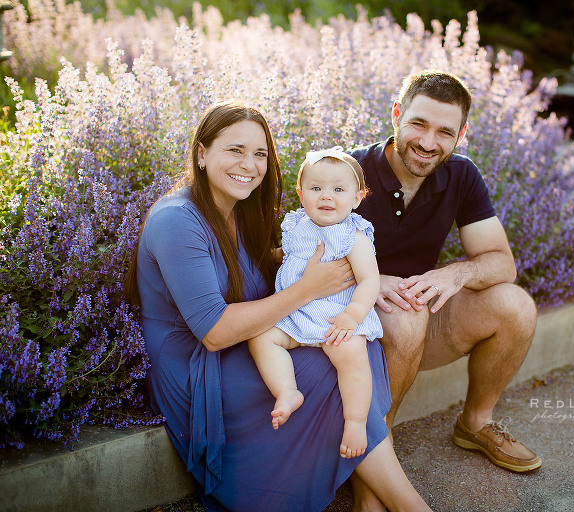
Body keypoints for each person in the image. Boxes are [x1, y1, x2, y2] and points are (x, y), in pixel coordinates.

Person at [125, 100, 431, 512]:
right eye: (235, 150)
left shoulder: (239, 210)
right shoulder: (176, 221)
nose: (249, 165)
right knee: (332, 362)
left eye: (260, 154)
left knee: (353, 342)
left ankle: (372, 499)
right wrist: (308, 290)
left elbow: (275, 265)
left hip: (245, 338)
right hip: (197, 364)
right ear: (201, 153)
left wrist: (356, 282)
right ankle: (405, 505)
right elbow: (213, 333)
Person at [348, 69, 541, 509]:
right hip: (344, 327)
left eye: (444, 131)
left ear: (462, 134)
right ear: (396, 114)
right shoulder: (350, 170)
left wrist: (456, 274)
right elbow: (297, 257)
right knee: (408, 313)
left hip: (413, 325)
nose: (428, 142)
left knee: (515, 305)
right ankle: (376, 460)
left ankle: (475, 423)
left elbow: (501, 263)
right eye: (418, 123)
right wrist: (370, 279)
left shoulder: (461, 175)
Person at [248, 146, 382, 460]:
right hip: (295, 311)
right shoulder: (296, 226)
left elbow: (370, 280)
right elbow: (285, 257)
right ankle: (287, 390)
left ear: (357, 198)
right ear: (301, 193)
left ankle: (356, 421)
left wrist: (352, 316)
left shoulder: (353, 236)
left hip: (337, 316)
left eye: (338, 189)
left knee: (353, 357)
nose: (326, 196)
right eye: (316, 188)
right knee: (261, 336)